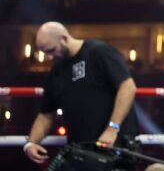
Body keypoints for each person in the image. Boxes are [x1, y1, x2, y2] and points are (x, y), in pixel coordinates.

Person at [23, 22, 139, 166]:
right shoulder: (56, 72)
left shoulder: (98, 52)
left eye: (52, 50)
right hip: (80, 153)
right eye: (46, 53)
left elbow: (127, 86)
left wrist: (112, 129)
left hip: (113, 147)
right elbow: (46, 113)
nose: (50, 57)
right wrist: (31, 143)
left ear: (64, 38)